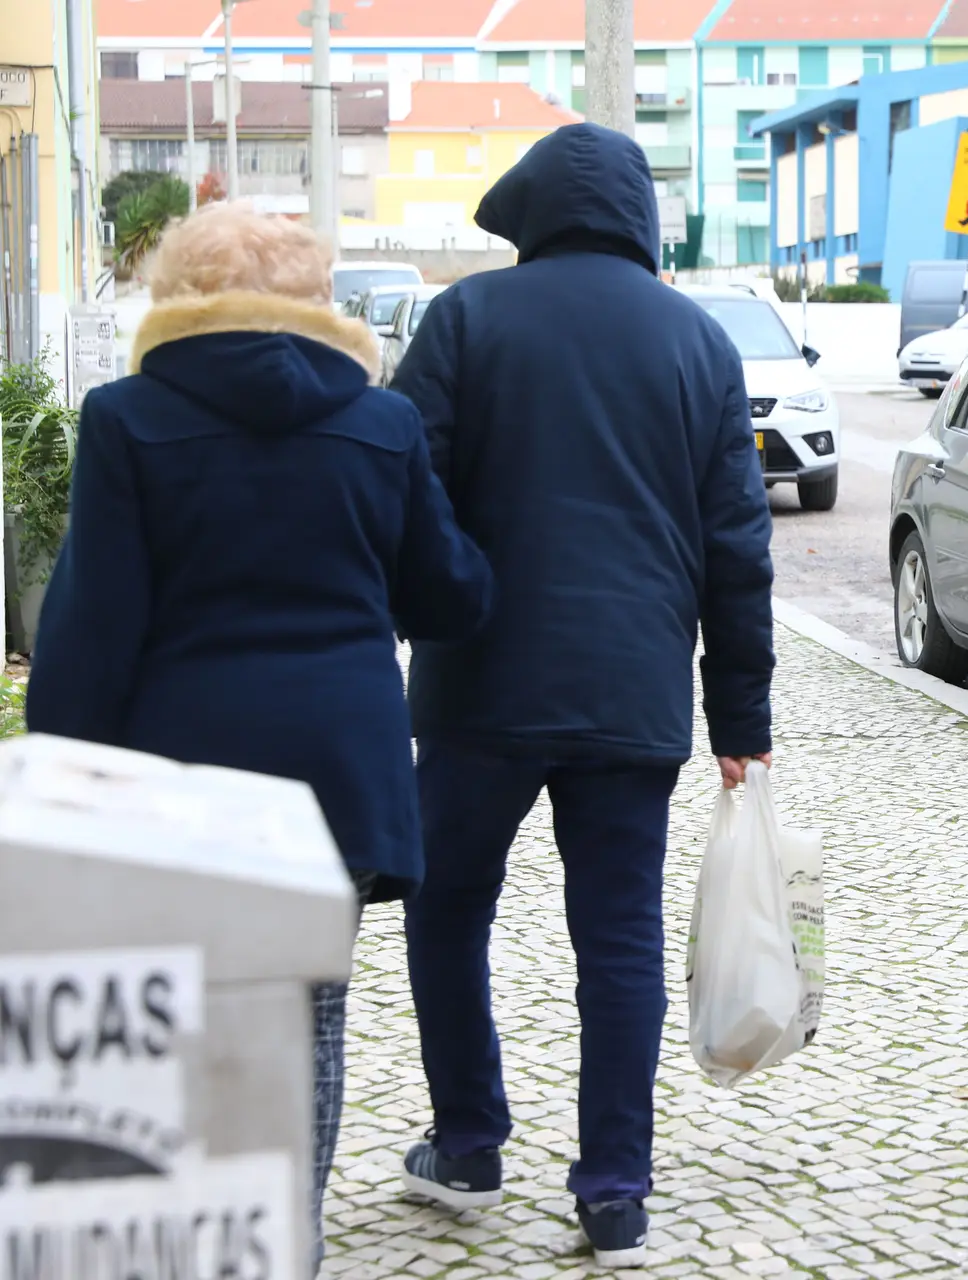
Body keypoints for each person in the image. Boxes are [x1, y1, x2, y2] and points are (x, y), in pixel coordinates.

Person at [23, 202, 495, 1275]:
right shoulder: (381, 426)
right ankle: (290, 1243)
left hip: (173, 782)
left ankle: (185, 1234)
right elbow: (453, 595)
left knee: (170, 1011)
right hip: (338, 778)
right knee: (309, 1012)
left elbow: (91, 634)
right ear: (315, 299)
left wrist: (60, 769)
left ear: (180, 294)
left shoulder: (127, 419)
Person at [387, 124, 774, 1268]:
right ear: (640, 218)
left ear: (532, 214)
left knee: (448, 907)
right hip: (633, 690)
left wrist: (440, 603)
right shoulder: (697, 341)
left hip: (479, 686)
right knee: (617, 936)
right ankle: (614, 1186)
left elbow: (406, 484)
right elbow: (738, 545)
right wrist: (739, 718)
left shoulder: (465, 321)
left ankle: (467, 1141)